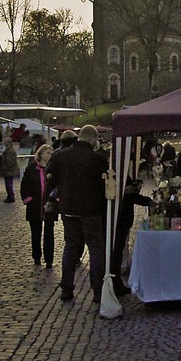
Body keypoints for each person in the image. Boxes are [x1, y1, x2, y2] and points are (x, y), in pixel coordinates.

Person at [47, 124, 109, 303]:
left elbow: (52, 179)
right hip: (91, 210)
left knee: (70, 247)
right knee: (96, 247)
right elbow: (105, 185)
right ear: (92, 139)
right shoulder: (98, 159)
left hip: (68, 208)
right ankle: (97, 290)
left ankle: (66, 288)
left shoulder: (62, 156)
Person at [21, 144, 57, 267]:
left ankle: (49, 260)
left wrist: (55, 199)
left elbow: (57, 186)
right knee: (35, 233)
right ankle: (36, 257)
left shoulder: (53, 169)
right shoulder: (31, 169)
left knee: (49, 233)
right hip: (34, 206)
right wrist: (28, 200)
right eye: (47, 153)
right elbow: (24, 186)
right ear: (41, 154)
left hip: (49, 205)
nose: (49, 156)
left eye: (51, 154)